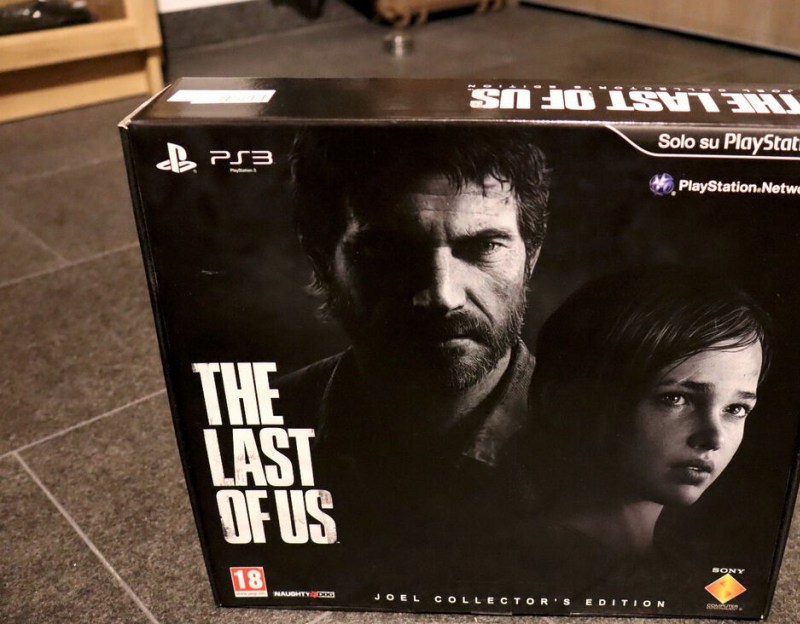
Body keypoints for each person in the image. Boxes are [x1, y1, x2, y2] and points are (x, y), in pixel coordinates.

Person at [277, 127, 551, 585]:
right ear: (323, 262)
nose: (442, 296)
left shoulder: (610, 445)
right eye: (389, 251)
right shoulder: (267, 423)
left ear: (531, 258)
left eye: (484, 247)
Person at [510, 267, 771, 593]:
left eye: (736, 409)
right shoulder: (518, 570)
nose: (714, 438)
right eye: (675, 398)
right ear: (565, 401)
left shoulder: (698, 575)